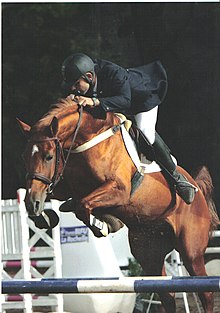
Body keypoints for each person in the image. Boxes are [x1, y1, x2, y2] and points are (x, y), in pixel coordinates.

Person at [61, 53, 197, 205]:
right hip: (114, 104)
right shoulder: (85, 77)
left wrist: (93, 101)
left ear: (89, 76)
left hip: (141, 101)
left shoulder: (113, 73)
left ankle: (178, 178)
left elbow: (125, 101)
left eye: (76, 84)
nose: (73, 89)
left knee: (146, 134)